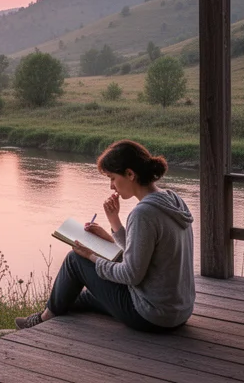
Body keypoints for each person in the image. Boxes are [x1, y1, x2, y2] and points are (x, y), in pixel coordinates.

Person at [15, 139, 195, 332]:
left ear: (130, 174)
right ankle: (47, 315)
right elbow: (146, 253)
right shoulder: (172, 200)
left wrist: (90, 255)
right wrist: (113, 225)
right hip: (179, 311)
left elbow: (131, 275)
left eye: (112, 178)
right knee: (82, 298)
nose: (111, 186)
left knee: (75, 260)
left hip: (151, 316)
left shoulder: (143, 213)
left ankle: (42, 319)